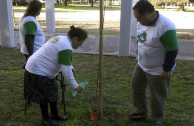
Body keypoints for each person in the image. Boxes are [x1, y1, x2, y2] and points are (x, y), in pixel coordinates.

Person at [24, 25, 88, 126]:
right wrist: (76, 86)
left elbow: (63, 61)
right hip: (37, 70)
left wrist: (72, 68)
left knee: (53, 89)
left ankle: (54, 114)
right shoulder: (66, 46)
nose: (80, 45)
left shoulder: (62, 39)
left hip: (36, 67)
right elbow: (66, 71)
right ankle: (45, 119)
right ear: (75, 39)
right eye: (81, 42)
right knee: (44, 95)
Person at [129, 1, 179, 126]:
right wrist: (138, 54)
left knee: (157, 94)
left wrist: (166, 69)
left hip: (158, 68)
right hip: (142, 64)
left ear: (147, 14)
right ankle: (141, 111)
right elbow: (140, 39)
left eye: (138, 17)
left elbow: (172, 49)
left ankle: (157, 118)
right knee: (136, 85)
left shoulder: (165, 26)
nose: (137, 21)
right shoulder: (142, 22)